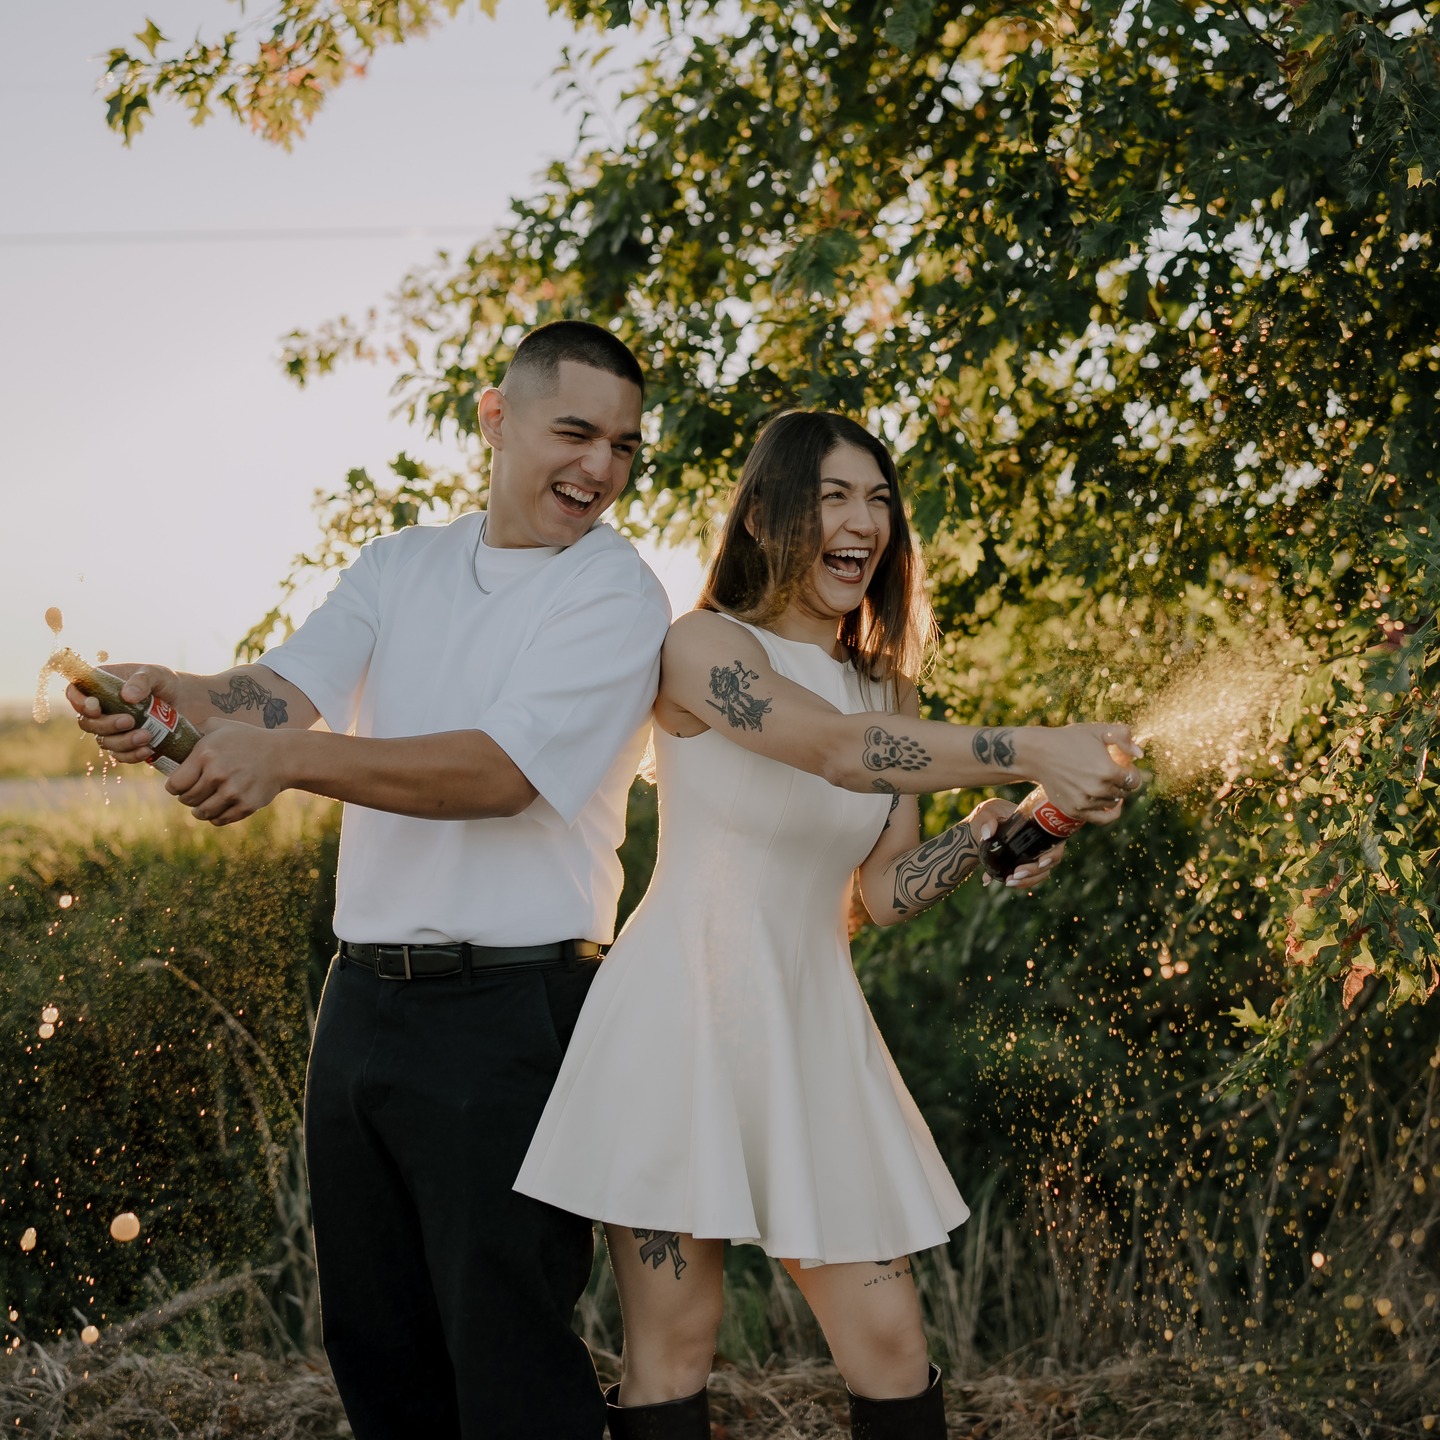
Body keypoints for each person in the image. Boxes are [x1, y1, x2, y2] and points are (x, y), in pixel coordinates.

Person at [69, 321, 673, 1440]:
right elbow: (285, 693)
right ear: (497, 418)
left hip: (513, 1017)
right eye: (575, 432)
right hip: (360, 1012)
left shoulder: (615, 594)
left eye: (625, 446)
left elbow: (497, 775)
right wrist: (179, 692)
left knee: (509, 1361)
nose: (600, 468)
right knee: (377, 1349)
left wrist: (289, 762)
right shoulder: (401, 564)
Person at [514, 410, 1143, 1440]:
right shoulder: (705, 648)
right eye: (832, 498)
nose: (863, 522)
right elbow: (835, 752)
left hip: (812, 1029)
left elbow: (885, 893)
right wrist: (1029, 742)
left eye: (879, 500)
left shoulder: (884, 684)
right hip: (676, 1028)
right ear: (763, 517)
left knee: (891, 1345)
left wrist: (998, 832)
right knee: (673, 1347)